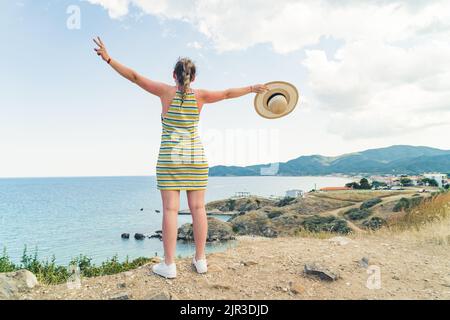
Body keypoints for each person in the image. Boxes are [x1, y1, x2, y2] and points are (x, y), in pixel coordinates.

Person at [93, 37, 268, 278]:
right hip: (196, 158)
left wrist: (109, 58)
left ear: (173, 76)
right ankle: (201, 260)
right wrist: (252, 88)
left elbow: (134, 76)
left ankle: (169, 265)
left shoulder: (165, 92)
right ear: (193, 78)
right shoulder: (201, 96)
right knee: (198, 208)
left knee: (170, 211)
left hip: (170, 159)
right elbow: (227, 93)